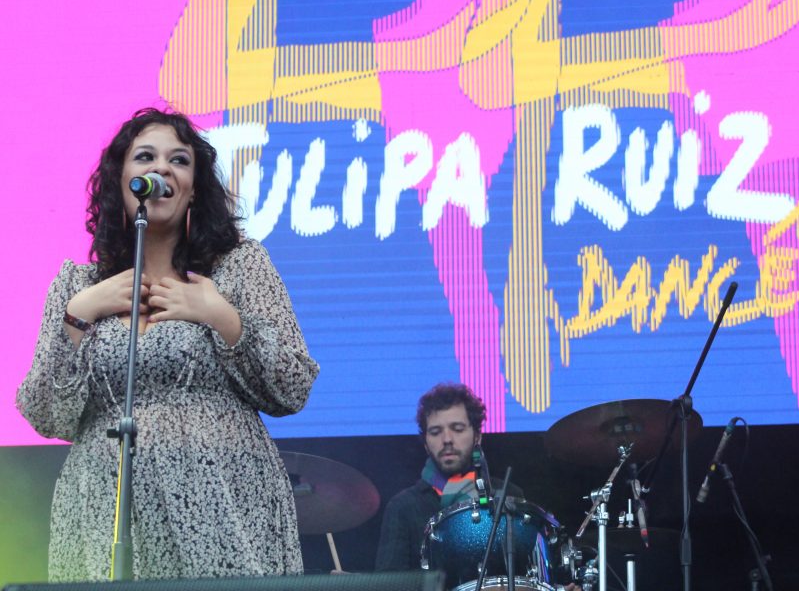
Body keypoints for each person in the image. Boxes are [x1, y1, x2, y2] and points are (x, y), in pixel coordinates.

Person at [16, 108, 320, 581]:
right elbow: (44, 413)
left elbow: (292, 386)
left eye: (179, 160)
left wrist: (220, 316)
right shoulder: (78, 286)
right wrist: (80, 313)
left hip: (220, 501)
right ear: (121, 180)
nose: (161, 168)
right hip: (103, 503)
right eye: (145, 157)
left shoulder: (238, 268)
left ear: (193, 188)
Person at [374, 383, 521, 573]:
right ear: (426, 444)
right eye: (436, 432)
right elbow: (389, 583)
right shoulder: (403, 507)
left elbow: (527, 576)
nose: (447, 439)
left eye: (457, 429)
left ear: (477, 436)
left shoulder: (507, 495)